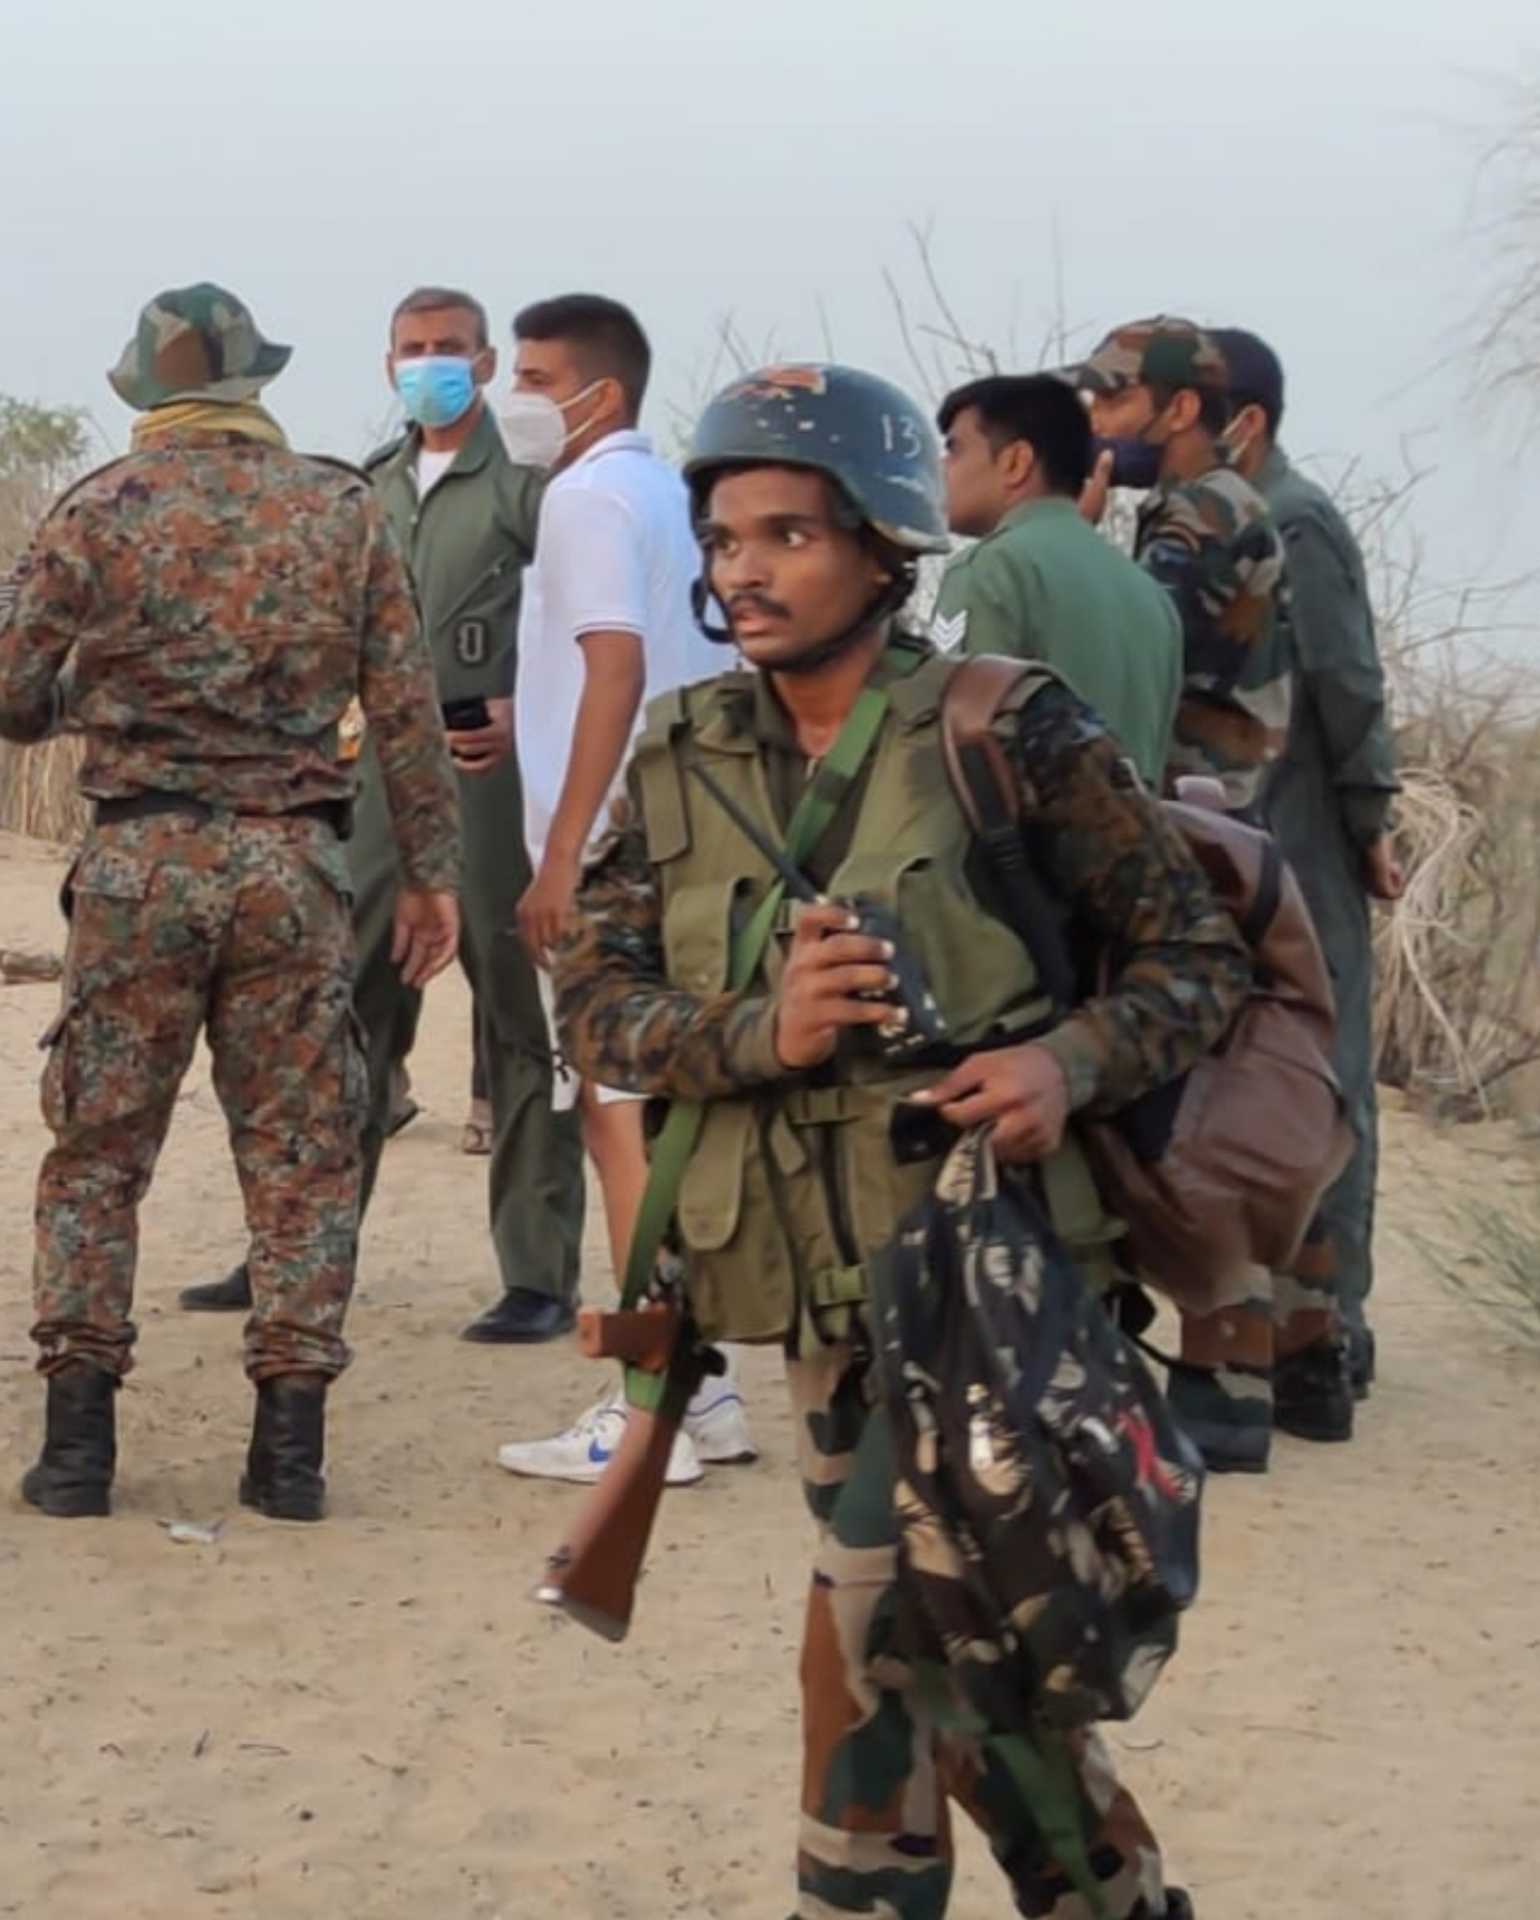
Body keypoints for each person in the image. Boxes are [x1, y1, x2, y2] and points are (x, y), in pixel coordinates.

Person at [561, 360, 1239, 1920]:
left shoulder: (1007, 728)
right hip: (801, 1295)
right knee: (972, 1665)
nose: (745, 570)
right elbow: (593, 1000)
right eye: (724, 539)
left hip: (984, 1285)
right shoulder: (678, 752)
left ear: (883, 550)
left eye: (790, 535)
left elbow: (1191, 960)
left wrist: (1065, 1063)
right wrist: (758, 1035)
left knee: (868, 1636)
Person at [0, 283, 464, 1523]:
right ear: (258, 383)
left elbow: (4, 697)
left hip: (139, 870)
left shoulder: (97, 508)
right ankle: (288, 1454)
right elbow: (406, 710)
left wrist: (106, 674)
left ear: (145, 386)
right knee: (301, 1156)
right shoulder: (344, 511)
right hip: (294, 872)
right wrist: (432, 876)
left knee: (98, 1155)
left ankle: (78, 1448)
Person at [175, 285, 581, 1344]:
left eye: (451, 348)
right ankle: (300, 1251)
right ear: (387, 362)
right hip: (376, 786)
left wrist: (522, 708)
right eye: (414, 349)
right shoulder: (371, 488)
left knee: (515, 1014)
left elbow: (581, 623)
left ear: (486, 363)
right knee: (338, 1019)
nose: (432, 364)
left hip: (494, 785)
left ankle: (538, 1273)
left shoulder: (530, 486)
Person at [489, 293, 753, 1481]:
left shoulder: (588, 498)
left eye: (536, 375)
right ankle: (706, 1395)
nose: (517, 396)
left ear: (599, 390)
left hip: (614, 848)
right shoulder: (676, 499)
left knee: (617, 1118)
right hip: (698, 836)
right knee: (666, 1112)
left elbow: (616, 663)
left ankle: (650, 1402)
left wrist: (559, 858)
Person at [1060, 315, 1292, 1472]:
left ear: (1179, 409)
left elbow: (1139, 639)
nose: (1098, 424)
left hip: (1206, 832)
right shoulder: (1217, 507)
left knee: (1196, 1114)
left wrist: (1080, 538)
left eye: (1113, 403)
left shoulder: (1199, 517)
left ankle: (1227, 1382)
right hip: (1217, 823)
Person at [1213, 325, 1403, 1430]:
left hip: (1311, 836)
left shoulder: (1299, 522)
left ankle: (1330, 1323)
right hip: (1241, 844)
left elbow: (1347, 682)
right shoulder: (1206, 526)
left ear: (1247, 419)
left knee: (1329, 1078)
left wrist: (1370, 818)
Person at [934, 374, 1185, 786]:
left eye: (954, 449)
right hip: (1135, 844)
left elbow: (955, 748)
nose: (941, 469)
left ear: (1016, 462)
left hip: (1023, 848)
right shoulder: (1152, 596)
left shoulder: (990, 567)